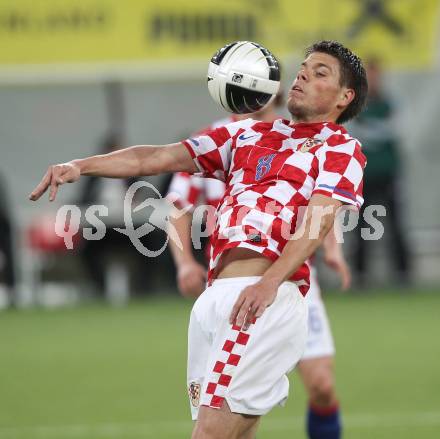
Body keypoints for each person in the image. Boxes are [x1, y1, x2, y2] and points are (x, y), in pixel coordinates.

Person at [29, 40, 367, 439]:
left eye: (320, 72)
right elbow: (154, 158)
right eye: (304, 68)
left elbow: (319, 221)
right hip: (215, 299)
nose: (304, 75)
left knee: (208, 434)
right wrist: (79, 166)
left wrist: (269, 282)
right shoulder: (244, 134)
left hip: (261, 299)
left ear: (344, 97)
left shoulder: (340, 147)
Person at [167, 110, 351, 439]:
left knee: (321, 384)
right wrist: (184, 263)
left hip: (291, 284)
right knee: (238, 415)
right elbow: (176, 204)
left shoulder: (298, 137)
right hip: (238, 285)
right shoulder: (214, 139)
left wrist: (332, 249)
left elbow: (324, 202)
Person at [349, 58, 411, 286]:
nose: (373, 80)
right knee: (362, 227)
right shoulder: (354, 105)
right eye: (369, 75)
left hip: (389, 173)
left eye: (376, 75)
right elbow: (352, 133)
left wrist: (370, 130)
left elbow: (398, 130)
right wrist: (376, 131)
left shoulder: (392, 103)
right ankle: (360, 275)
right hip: (363, 176)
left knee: (396, 224)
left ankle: (403, 274)